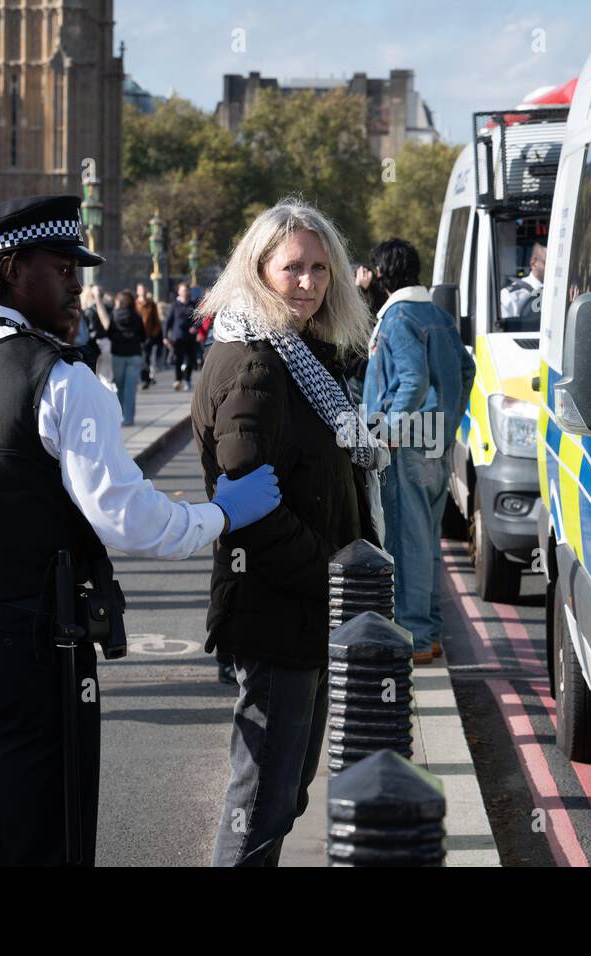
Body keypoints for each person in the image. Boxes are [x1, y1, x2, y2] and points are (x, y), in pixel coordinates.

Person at [0, 194, 282, 866]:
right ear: (11, 270)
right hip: (31, 642)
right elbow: (126, 519)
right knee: (45, 838)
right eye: (64, 267)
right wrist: (219, 514)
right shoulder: (61, 377)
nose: (79, 285)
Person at [193, 197, 389, 867]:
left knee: (283, 796)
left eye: (320, 269)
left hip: (302, 612)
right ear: (258, 269)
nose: (308, 283)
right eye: (292, 269)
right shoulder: (255, 364)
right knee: (262, 804)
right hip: (278, 612)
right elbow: (247, 506)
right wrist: (332, 576)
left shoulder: (298, 352)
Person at [362, 238, 475, 666]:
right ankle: (428, 631)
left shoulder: (397, 318)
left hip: (406, 445)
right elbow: (467, 369)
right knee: (426, 541)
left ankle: (415, 636)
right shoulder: (438, 316)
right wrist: (449, 421)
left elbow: (410, 379)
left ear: (383, 274)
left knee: (407, 544)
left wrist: (389, 429)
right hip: (435, 442)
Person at [108, 290, 146, 425]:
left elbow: (110, 333)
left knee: (119, 386)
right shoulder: (137, 316)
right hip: (134, 353)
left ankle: (120, 415)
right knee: (131, 388)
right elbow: (143, 335)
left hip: (118, 354)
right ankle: (129, 418)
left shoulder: (114, 315)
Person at [500, 241, 546, 320]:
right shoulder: (511, 296)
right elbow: (506, 329)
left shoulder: (560, 292)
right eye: (547, 263)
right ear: (534, 263)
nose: (553, 269)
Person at [166, 282, 199, 391]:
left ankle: (187, 379)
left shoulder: (193, 304)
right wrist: (165, 336)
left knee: (190, 359)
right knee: (178, 359)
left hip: (190, 336)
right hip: (178, 337)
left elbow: (198, 319)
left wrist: (195, 327)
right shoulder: (174, 306)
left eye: (187, 290)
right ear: (179, 291)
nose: (185, 292)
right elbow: (169, 322)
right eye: (183, 290)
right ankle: (178, 379)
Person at [135, 282, 160, 389]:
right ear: (137, 291)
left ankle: (146, 378)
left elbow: (156, 321)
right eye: (140, 290)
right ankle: (144, 378)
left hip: (148, 336)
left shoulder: (151, 304)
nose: (142, 292)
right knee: (142, 358)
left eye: (144, 289)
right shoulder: (135, 304)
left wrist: (153, 334)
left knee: (147, 358)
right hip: (137, 336)